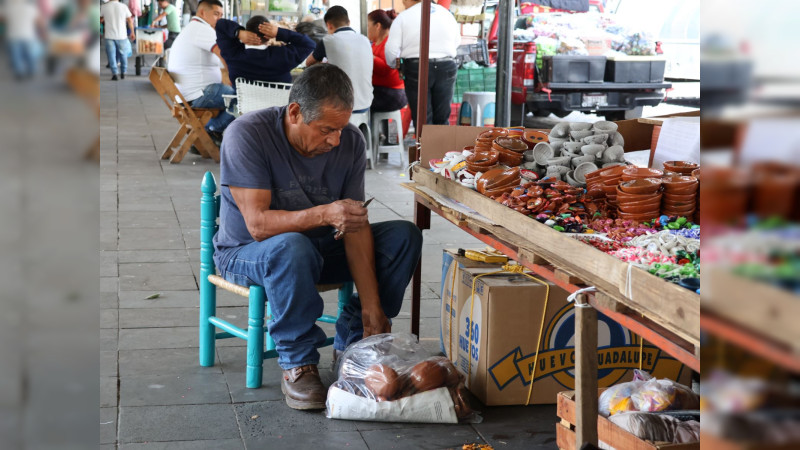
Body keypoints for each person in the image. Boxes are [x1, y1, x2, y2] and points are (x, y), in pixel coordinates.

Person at [213, 64, 422, 410]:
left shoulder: (350, 142)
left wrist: (372, 305)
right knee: (292, 246)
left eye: (341, 129)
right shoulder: (247, 134)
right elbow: (258, 226)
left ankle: (354, 346)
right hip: (248, 252)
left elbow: (352, 227)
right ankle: (298, 362)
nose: (335, 140)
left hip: (318, 250)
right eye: (326, 130)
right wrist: (325, 214)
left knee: (404, 236)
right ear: (295, 113)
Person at [384, 0, 460, 129]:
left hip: (416, 68)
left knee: (423, 119)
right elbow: (457, 41)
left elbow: (391, 50)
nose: (403, 3)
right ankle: (442, 148)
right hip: (446, 65)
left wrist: (394, 65)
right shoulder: (446, 14)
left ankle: (425, 148)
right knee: (442, 117)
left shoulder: (403, 17)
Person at [167, 0, 233, 141]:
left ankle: (203, 135)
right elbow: (225, 55)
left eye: (221, 15)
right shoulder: (202, 29)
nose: (219, 19)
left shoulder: (193, 28)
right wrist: (233, 76)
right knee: (242, 99)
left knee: (234, 96)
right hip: (199, 95)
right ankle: (210, 131)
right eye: (216, 14)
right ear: (202, 12)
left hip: (188, 95)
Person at [305, 6, 373, 114]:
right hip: (366, 104)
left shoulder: (328, 41)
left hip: (341, 107)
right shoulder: (365, 40)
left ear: (329, 25)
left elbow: (308, 63)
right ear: (349, 22)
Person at [215, 15, 315, 85]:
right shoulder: (283, 56)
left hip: (245, 112)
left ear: (246, 31)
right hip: (277, 111)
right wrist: (279, 32)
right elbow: (309, 44)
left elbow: (220, 24)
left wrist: (238, 32)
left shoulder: (233, 54)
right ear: (268, 37)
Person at [367, 9, 407, 114]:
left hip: (393, 94)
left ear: (377, 26)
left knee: (357, 102)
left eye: (368, 26)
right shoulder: (374, 44)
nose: (367, 29)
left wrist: (370, 56)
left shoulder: (390, 43)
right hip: (381, 90)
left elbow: (386, 69)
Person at [100, 0, 135, 80]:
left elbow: (100, 19)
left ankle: (114, 74)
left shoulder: (104, 7)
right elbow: (129, 20)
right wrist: (132, 32)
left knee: (111, 55)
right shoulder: (123, 7)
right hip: (122, 35)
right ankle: (123, 72)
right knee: (123, 54)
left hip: (109, 35)